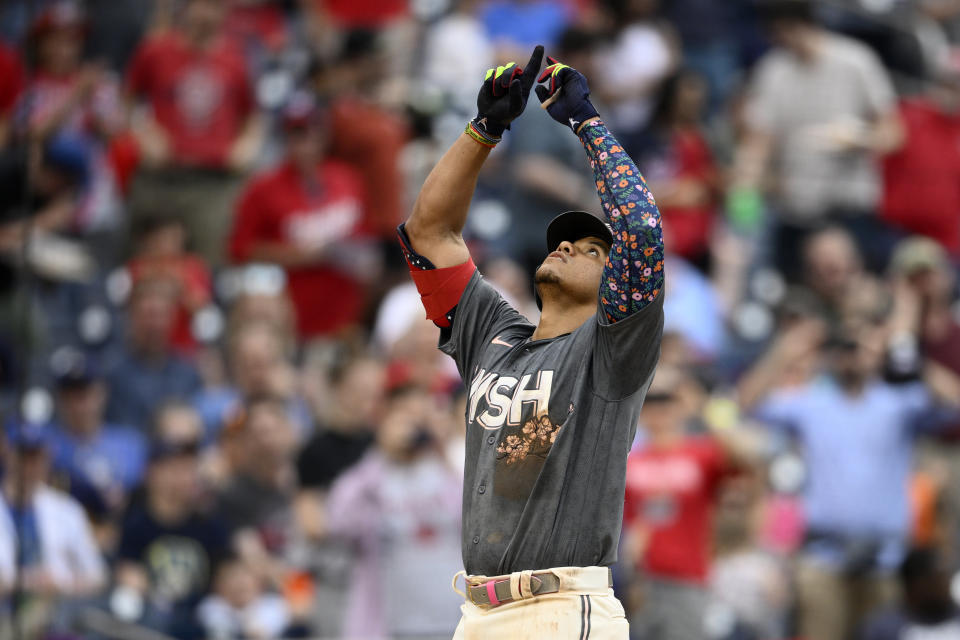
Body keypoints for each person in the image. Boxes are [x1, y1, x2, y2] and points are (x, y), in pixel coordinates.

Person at [400, 45, 664, 636]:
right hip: (477, 612)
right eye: (566, 241)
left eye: (595, 250)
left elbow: (641, 229)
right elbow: (428, 233)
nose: (568, 246)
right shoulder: (491, 333)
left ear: (616, 284)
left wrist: (587, 123)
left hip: (562, 608)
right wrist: (484, 129)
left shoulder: (614, 349)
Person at [738, 315, 960, 640]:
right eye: (844, 348)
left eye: (859, 349)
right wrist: (786, 350)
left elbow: (955, 401)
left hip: (885, 562)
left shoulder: (897, 403)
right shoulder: (812, 403)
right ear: (832, 355)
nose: (852, 356)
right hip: (823, 559)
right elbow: (746, 402)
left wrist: (902, 356)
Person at [733, 0, 904, 275]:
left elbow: (893, 133)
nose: (778, 41)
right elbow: (759, 141)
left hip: (850, 208)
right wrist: (744, 193)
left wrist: (858, 139)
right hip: (796, 211)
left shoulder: (856, 61)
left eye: (779, 32)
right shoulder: (773, 71)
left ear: (794, 26)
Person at [229, 91, 377, 340]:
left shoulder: (347, 178)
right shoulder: (263, 189)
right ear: (286, 138)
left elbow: (367, 238)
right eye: (297, 134)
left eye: (312, 132)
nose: (306, 143)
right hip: (291, 322)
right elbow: (239, 251)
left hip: (346, 317)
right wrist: (304, 255)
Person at [125, 0, 263, 265]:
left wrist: (247, 145)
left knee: (210, 264)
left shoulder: (235, 58)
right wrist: (142, 132)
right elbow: (126, 102)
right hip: (161, 177)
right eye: (202, 5)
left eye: (216, 7)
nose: (208, 14)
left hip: (213, 182)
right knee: (144, 263)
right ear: (186, 8)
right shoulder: (156, 51)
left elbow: (253, 115)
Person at [622, 367, 755, 640]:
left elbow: (748, 457)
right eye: (651, 403)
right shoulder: (631, 461)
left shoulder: (701, 452)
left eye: (667, 402)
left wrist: (706, 408)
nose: (660, 411)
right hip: (644, 582)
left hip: (688, 577)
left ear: (680, 405)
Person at [326, 383, 464, 639]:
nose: (412, 425)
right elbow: (339, 521)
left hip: (452, 620)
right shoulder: (372, 474)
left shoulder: (449, 469)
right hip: (388, 624)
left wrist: (441, 452)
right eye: (404, 416)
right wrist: (382, 453)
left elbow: (473, 519)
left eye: (420, 416)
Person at [114, 434, 230, 638]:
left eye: (191, 468)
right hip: (150, 619)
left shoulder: (209, 525)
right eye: (177, 469)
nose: (188, 477)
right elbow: (128, 572)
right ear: (154, 473)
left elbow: (225, 577)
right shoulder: (136, 524)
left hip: (198, 620)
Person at [0, 423, 106, 638]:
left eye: (36, 456)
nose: (30, 464)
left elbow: (98, 577)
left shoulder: (67, 510)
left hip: (56, 618)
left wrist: (61, 583)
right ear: (8, 452)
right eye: (24, 455)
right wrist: (28, 580)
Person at [46, 350, 147, 515]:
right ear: (59, 399)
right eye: (69, 395)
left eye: (84, 394)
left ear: (102, 393)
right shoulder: (46, 445)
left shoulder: (130, 444)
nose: (78, 405)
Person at [103, 277, 203, 430]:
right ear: (132, 317)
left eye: (161, 315)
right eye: (148, 315)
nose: (154, 324)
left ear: (172, 319)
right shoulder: (112, 372)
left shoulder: (188, 372)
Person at [860, 546, 960, 639]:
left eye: (945, 578)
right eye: (936, 580)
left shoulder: (956, 617)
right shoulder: (883, 628)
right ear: (912, 585)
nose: (944, 585)